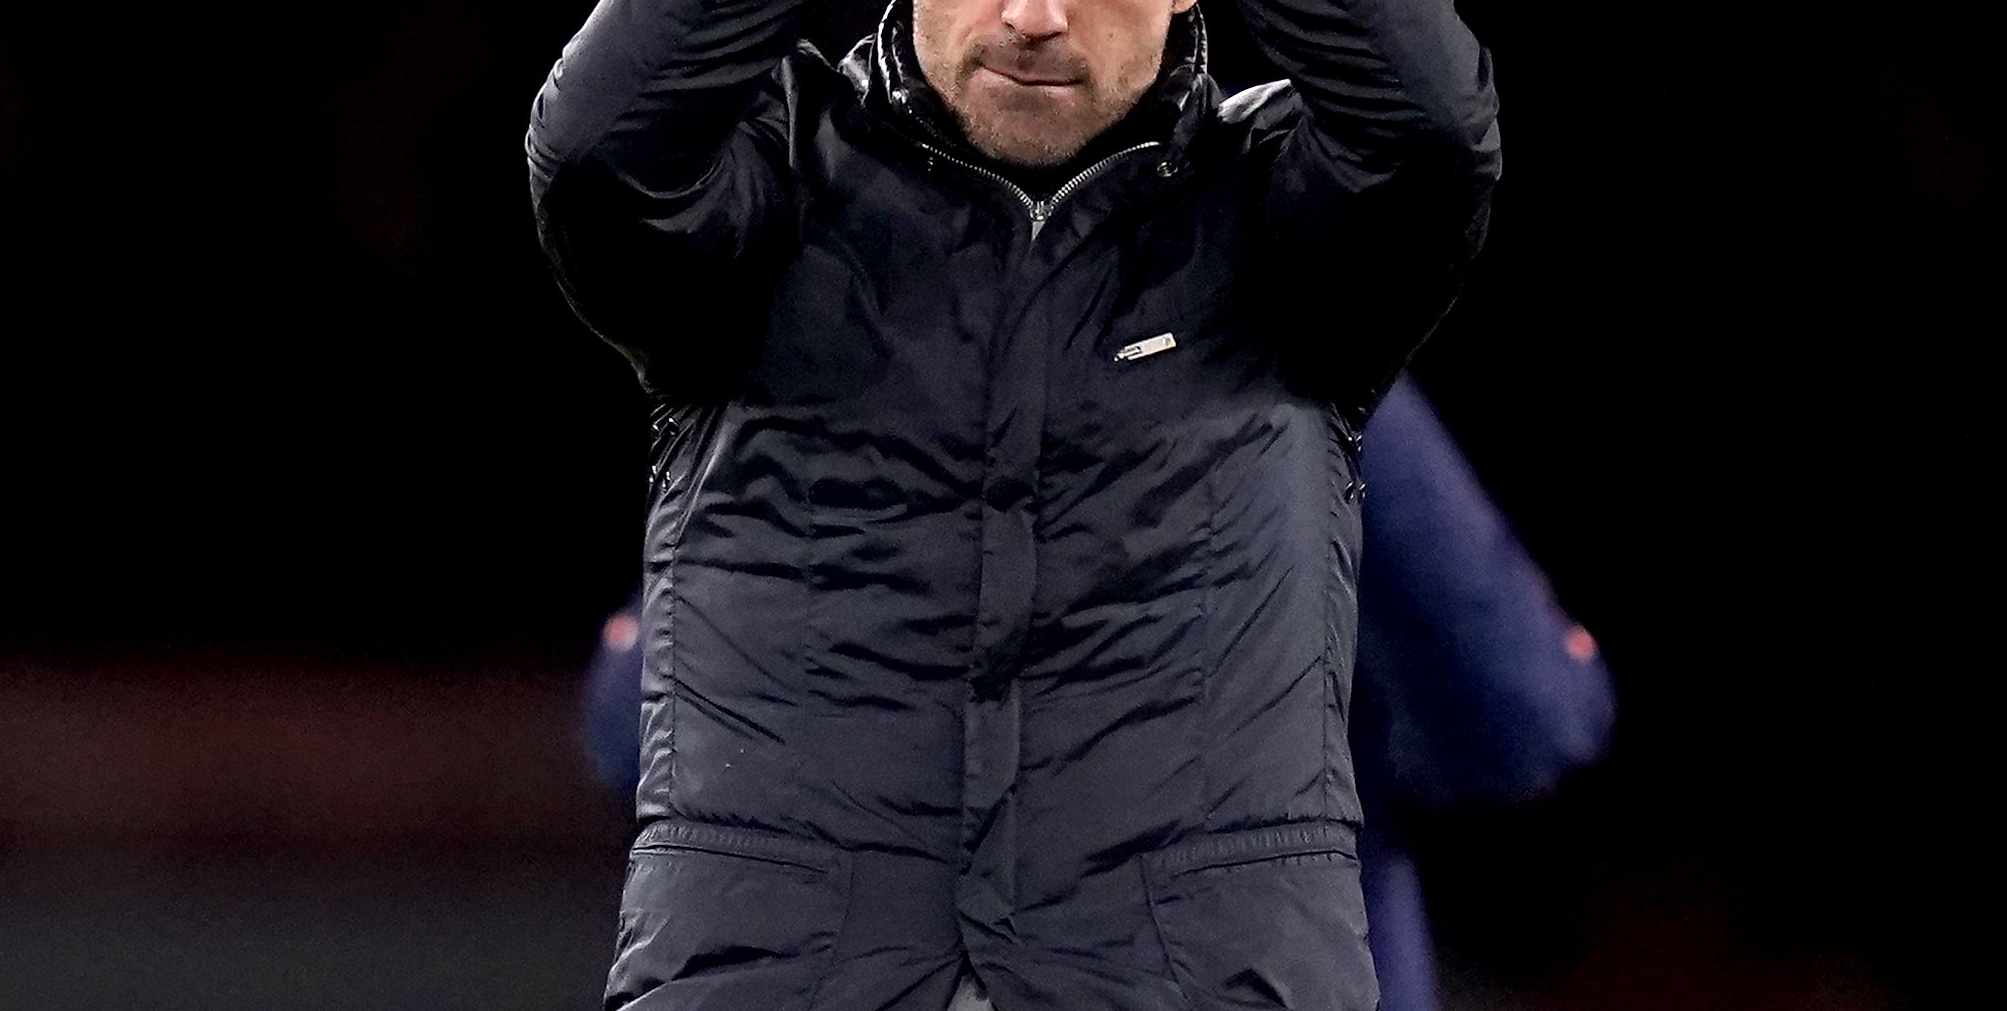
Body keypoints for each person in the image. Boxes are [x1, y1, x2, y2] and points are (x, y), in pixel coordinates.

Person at [525, 0, 1502, 1011]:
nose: (1033, 4)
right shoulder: (759, 202)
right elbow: (594, 141)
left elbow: (1430, 126)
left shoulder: (1282, 231)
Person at [580, 375, 1614, 1011]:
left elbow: (644, 741)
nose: (1035, 13)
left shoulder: (840, 345)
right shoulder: (1301, 335)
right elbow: (1522, 715)